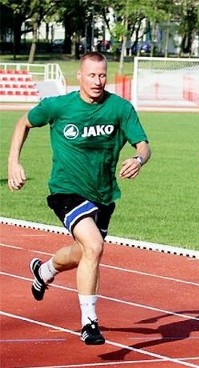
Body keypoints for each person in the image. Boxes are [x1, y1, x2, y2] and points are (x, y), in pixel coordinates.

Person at [7, 51, 151, 345]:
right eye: (92, 75)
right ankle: (89, 322)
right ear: (79, 77)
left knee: (83, 252)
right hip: (66, 189)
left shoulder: (120, 109)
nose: (98, 81)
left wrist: (138, 159)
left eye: (102, 75)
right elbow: (23, 122)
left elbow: (144, 145)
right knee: (94, 247)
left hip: (103, 193)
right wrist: (13, 162)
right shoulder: (59, 107)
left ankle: (44, 270)